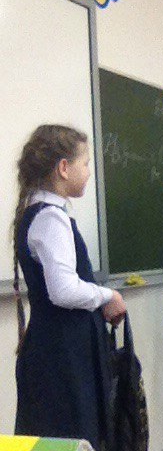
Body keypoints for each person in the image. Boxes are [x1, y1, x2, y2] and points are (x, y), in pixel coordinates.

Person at [13, 124, 127, 451]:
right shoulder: (50, 217)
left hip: (59, 347)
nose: (89, 172)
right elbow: (63, 290)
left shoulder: (39, 212)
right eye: (86, 163)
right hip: (63, 353)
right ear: (64, 168)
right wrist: (109, 295)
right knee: (71, 436)